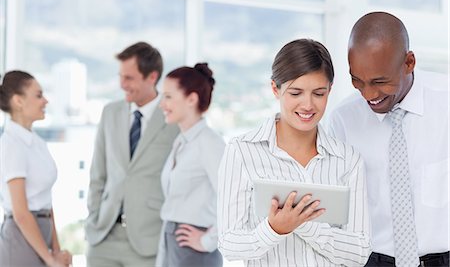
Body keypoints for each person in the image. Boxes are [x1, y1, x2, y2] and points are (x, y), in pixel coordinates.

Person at [217, 39, 371, 266]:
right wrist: (274, 229)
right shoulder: (242, 151)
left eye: (318, 93)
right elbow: (230, 244)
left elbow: (359, 253)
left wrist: (304, 224)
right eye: (296, 93)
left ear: (330, 90)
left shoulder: (348, 160)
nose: (308, 105)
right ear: (275, 89)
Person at [328, 11, 449, 267]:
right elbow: (338, 210)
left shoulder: (446, 101)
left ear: (409, 62)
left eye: (380, 81)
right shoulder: (343, 119)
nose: (369, 94)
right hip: (373, 260)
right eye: (356, 80)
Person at [85, 42, 179, 266]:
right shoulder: (110, 112)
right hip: (103, 237)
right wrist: (93, 219)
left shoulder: (173, 118)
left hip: (149, 239)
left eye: (129, 78)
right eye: (120, 76)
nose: (121, 84)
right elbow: (98, 173)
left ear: (152, 77)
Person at [0, 71, 72, 267]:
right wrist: (50, 259)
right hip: (21, 238)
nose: (46, 101)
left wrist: (56, 251)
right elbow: (21, 213)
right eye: (39, 95)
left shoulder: (37, 143)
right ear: (18, 101)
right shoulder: (12, 144)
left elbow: (46, 202)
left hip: (42, 233)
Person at [156, 63, 224, 267]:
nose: (162, 104)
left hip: (194, 252)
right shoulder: (181, 141)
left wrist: (208, 240)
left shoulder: (210, 143)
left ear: (191, 99)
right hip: (173, 243)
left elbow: (235, 200)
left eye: (168, 96)